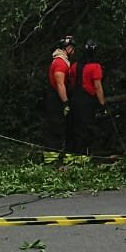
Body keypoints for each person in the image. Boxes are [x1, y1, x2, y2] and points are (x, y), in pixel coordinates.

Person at [68, 39, 107, 158]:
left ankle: (73, 153)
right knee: (87, 127)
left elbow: (71, 82)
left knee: (75, 126)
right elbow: (98, 87)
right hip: (87, 101)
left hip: (74, 98)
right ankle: (83, 155)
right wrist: (102, 104)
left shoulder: (74, 66)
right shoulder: (95, 67)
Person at [44, 35, 75, 164]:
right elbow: (60, 84)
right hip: (56, 99)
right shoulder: (60, 63)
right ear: (68, 48)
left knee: (58, 126)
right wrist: (66, 102)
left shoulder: (62, 60)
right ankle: (51, 159)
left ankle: (54, 156)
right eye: (73, 48)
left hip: (56, 97)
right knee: (56, 126)